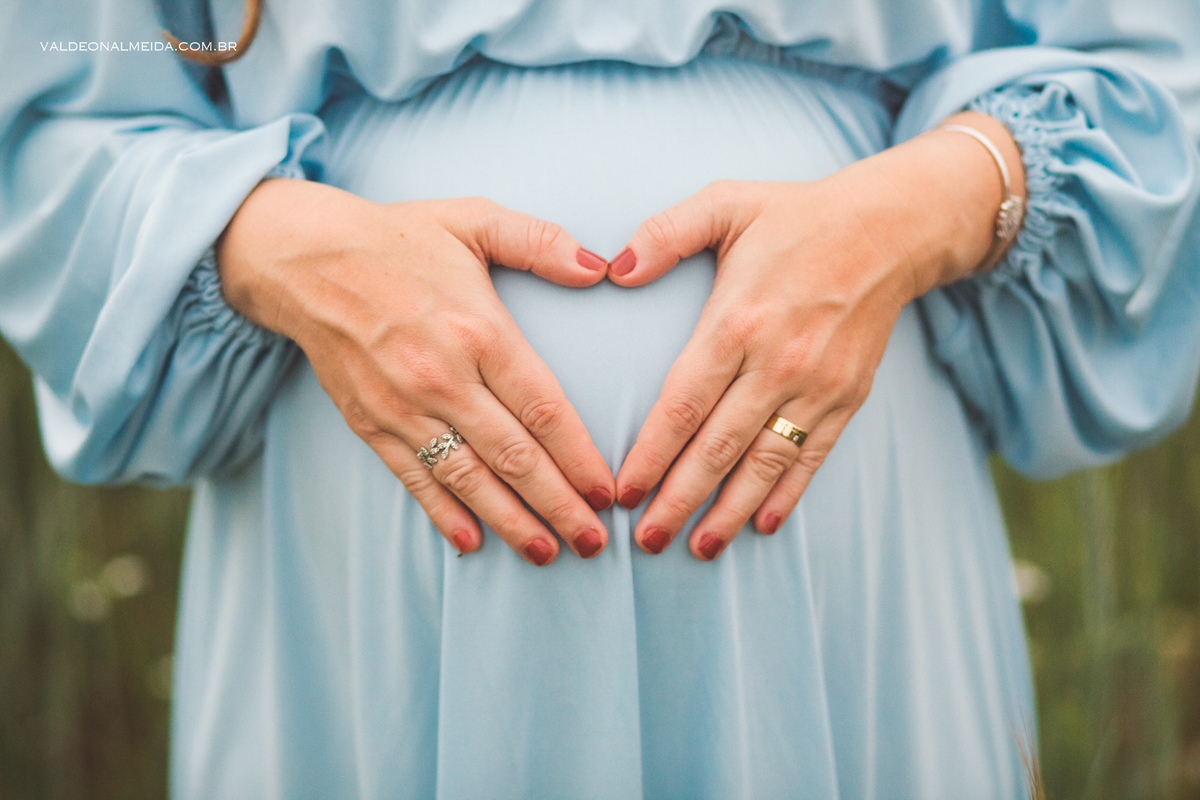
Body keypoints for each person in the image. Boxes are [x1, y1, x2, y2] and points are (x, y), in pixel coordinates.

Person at [3, 0, 1200, 797]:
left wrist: (919, 211)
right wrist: (269, 244)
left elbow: (1157, 70)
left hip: (850, 483)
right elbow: (51, 116)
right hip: (357, 479)